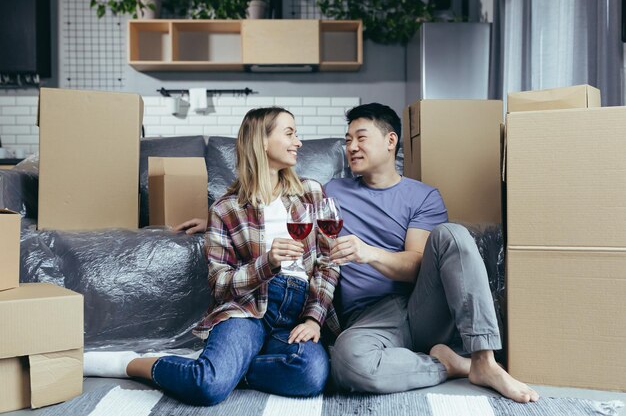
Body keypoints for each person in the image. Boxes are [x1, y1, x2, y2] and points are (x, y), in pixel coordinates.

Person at [84, 107, 340, 406]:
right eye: (289, 133)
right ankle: (133, 364)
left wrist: (313, 319)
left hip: (297, 311)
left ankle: (228, 366)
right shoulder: (225, 208)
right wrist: (267, 263)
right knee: (208, 387)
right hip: (246, 309)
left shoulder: (311, 193)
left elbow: (327, 260)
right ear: (262, 141)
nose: (298, 142)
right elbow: (220, 284)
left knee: (310, 375)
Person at [324, 102, 539, 403]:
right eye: (347, 140)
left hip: (420, 306)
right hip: (368, 320)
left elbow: (415, 264)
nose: (352, 147)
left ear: (390, 141)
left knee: (451, 233)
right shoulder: (332, 192)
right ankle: (449, 365)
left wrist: (368, 253)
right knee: (347, 364)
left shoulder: (422, 196)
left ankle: (484, 360)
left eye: (361, 138)